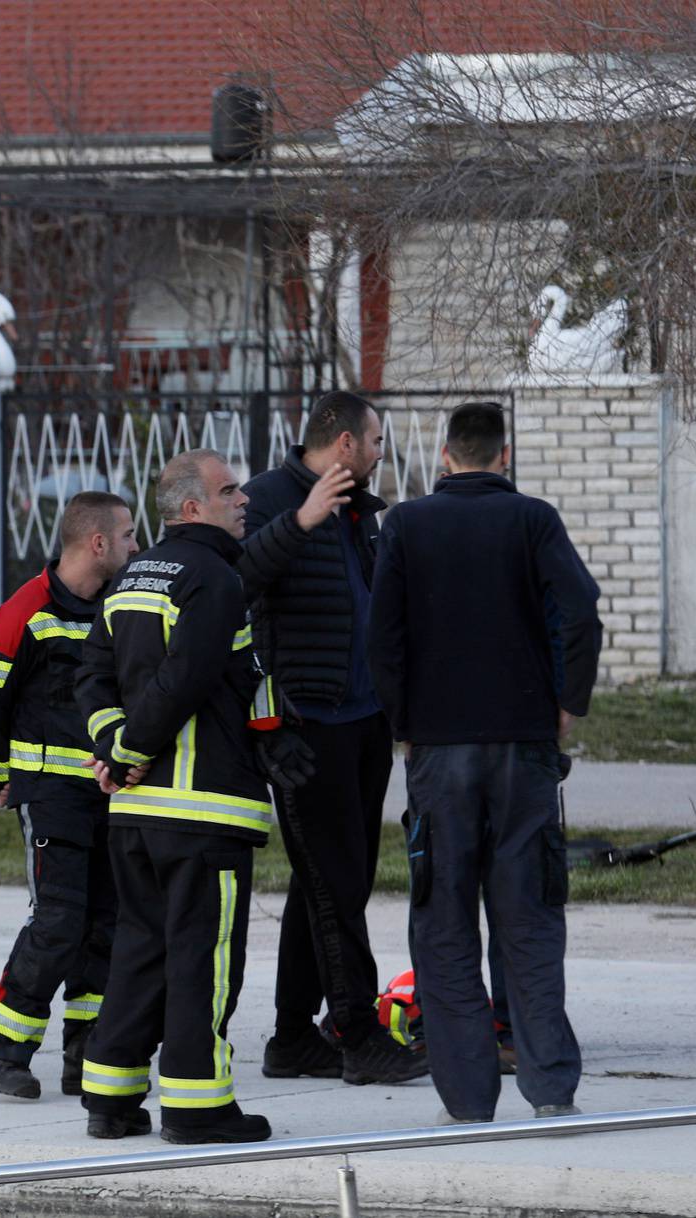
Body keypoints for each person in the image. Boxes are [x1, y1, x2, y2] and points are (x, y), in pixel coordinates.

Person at [368, 400, 601, 1124]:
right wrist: (569, 702)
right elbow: (582, 613)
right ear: (503, 456)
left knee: (443, 918)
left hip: (439, 751)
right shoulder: (533, 520)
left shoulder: (405, 524)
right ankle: (551, 1087)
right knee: (528, 912)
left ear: (445, 456)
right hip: (524, 747)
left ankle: (467, 1097)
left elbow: (382, 637)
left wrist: (405, 721)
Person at [74, 449, 312, 1145]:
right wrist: (131, 750)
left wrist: (115, 745)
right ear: (190, 508)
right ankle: (197, 1107)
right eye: (229, 491)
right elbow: (186, 680)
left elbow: (90, 679)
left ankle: (110, 1099)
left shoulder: (130, 579)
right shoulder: (215, 577)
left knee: (140, 951)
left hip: (136, 817)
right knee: (203, 960)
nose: (243, 501)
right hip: (202, 811)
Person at [238, 391, 427, 1087]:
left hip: (364, 724)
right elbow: (229, 587)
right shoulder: (266, 501)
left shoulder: (360, 513)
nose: (382, 454)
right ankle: (356, 1031)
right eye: (375, 441)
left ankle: (293, 1039)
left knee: (328, 884)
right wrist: (299, 520)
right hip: (304, 727)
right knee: (333, 882)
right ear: (344, 443)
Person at [0, 491, 137, 1100]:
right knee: (58, 920)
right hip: (49, 794)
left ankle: (86, 1055)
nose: (137, 548)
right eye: (129, 536)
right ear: (97, 544)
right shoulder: (25, 609)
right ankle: (3, 1048)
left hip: (108, 793)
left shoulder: (116, 604)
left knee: (105, 925)